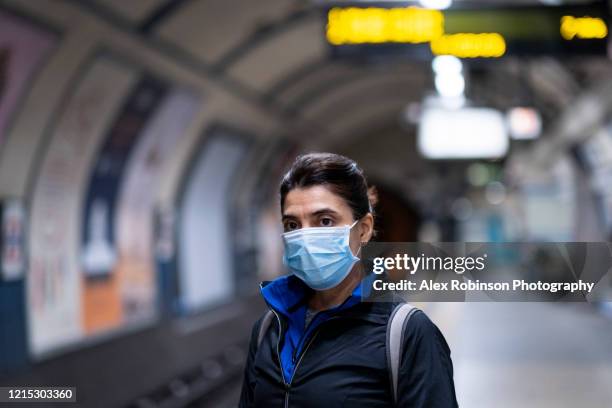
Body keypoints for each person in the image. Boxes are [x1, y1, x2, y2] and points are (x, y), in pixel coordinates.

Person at [239, 152, 457, 407]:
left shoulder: (406, 334)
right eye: (292, 225)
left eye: (325, 220)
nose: (306, 238)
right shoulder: (269, 328)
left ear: (363, 229)